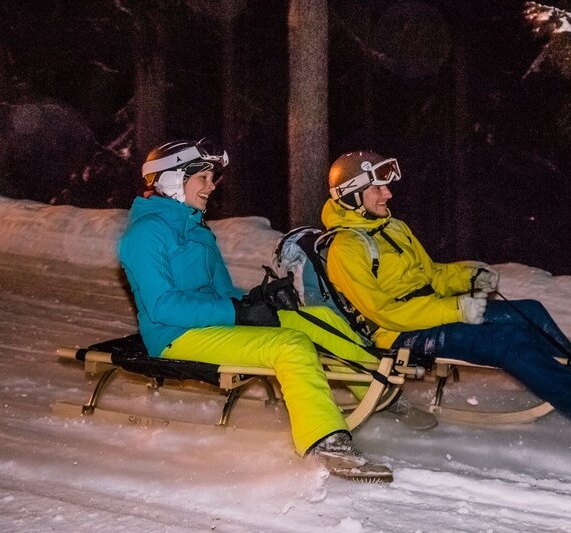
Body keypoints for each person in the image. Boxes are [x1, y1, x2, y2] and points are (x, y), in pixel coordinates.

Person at [321, 150, 571, 444]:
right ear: (353, 195)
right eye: (378, 188)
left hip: (432, 314)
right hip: (398, 333)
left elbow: (431, 275)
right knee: (506, 341)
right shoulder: (346, 249)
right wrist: (456, 308)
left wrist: (468, 276)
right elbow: (383, 312)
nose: (388, 194)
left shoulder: (393, 227)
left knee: (530, 312)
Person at [118, 139, 392, 483]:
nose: (211, 186)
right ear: (172, 180)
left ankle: (377, 386)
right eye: (203, 178)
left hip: (212, 324)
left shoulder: (198, 229)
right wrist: (236, 312)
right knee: (290, 346)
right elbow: (163, 307)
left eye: (211, 178)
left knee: (313, 318)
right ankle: (326, 443)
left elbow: (224, 292)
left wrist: (259, 300)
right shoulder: (144, 235)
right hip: (175, 335)